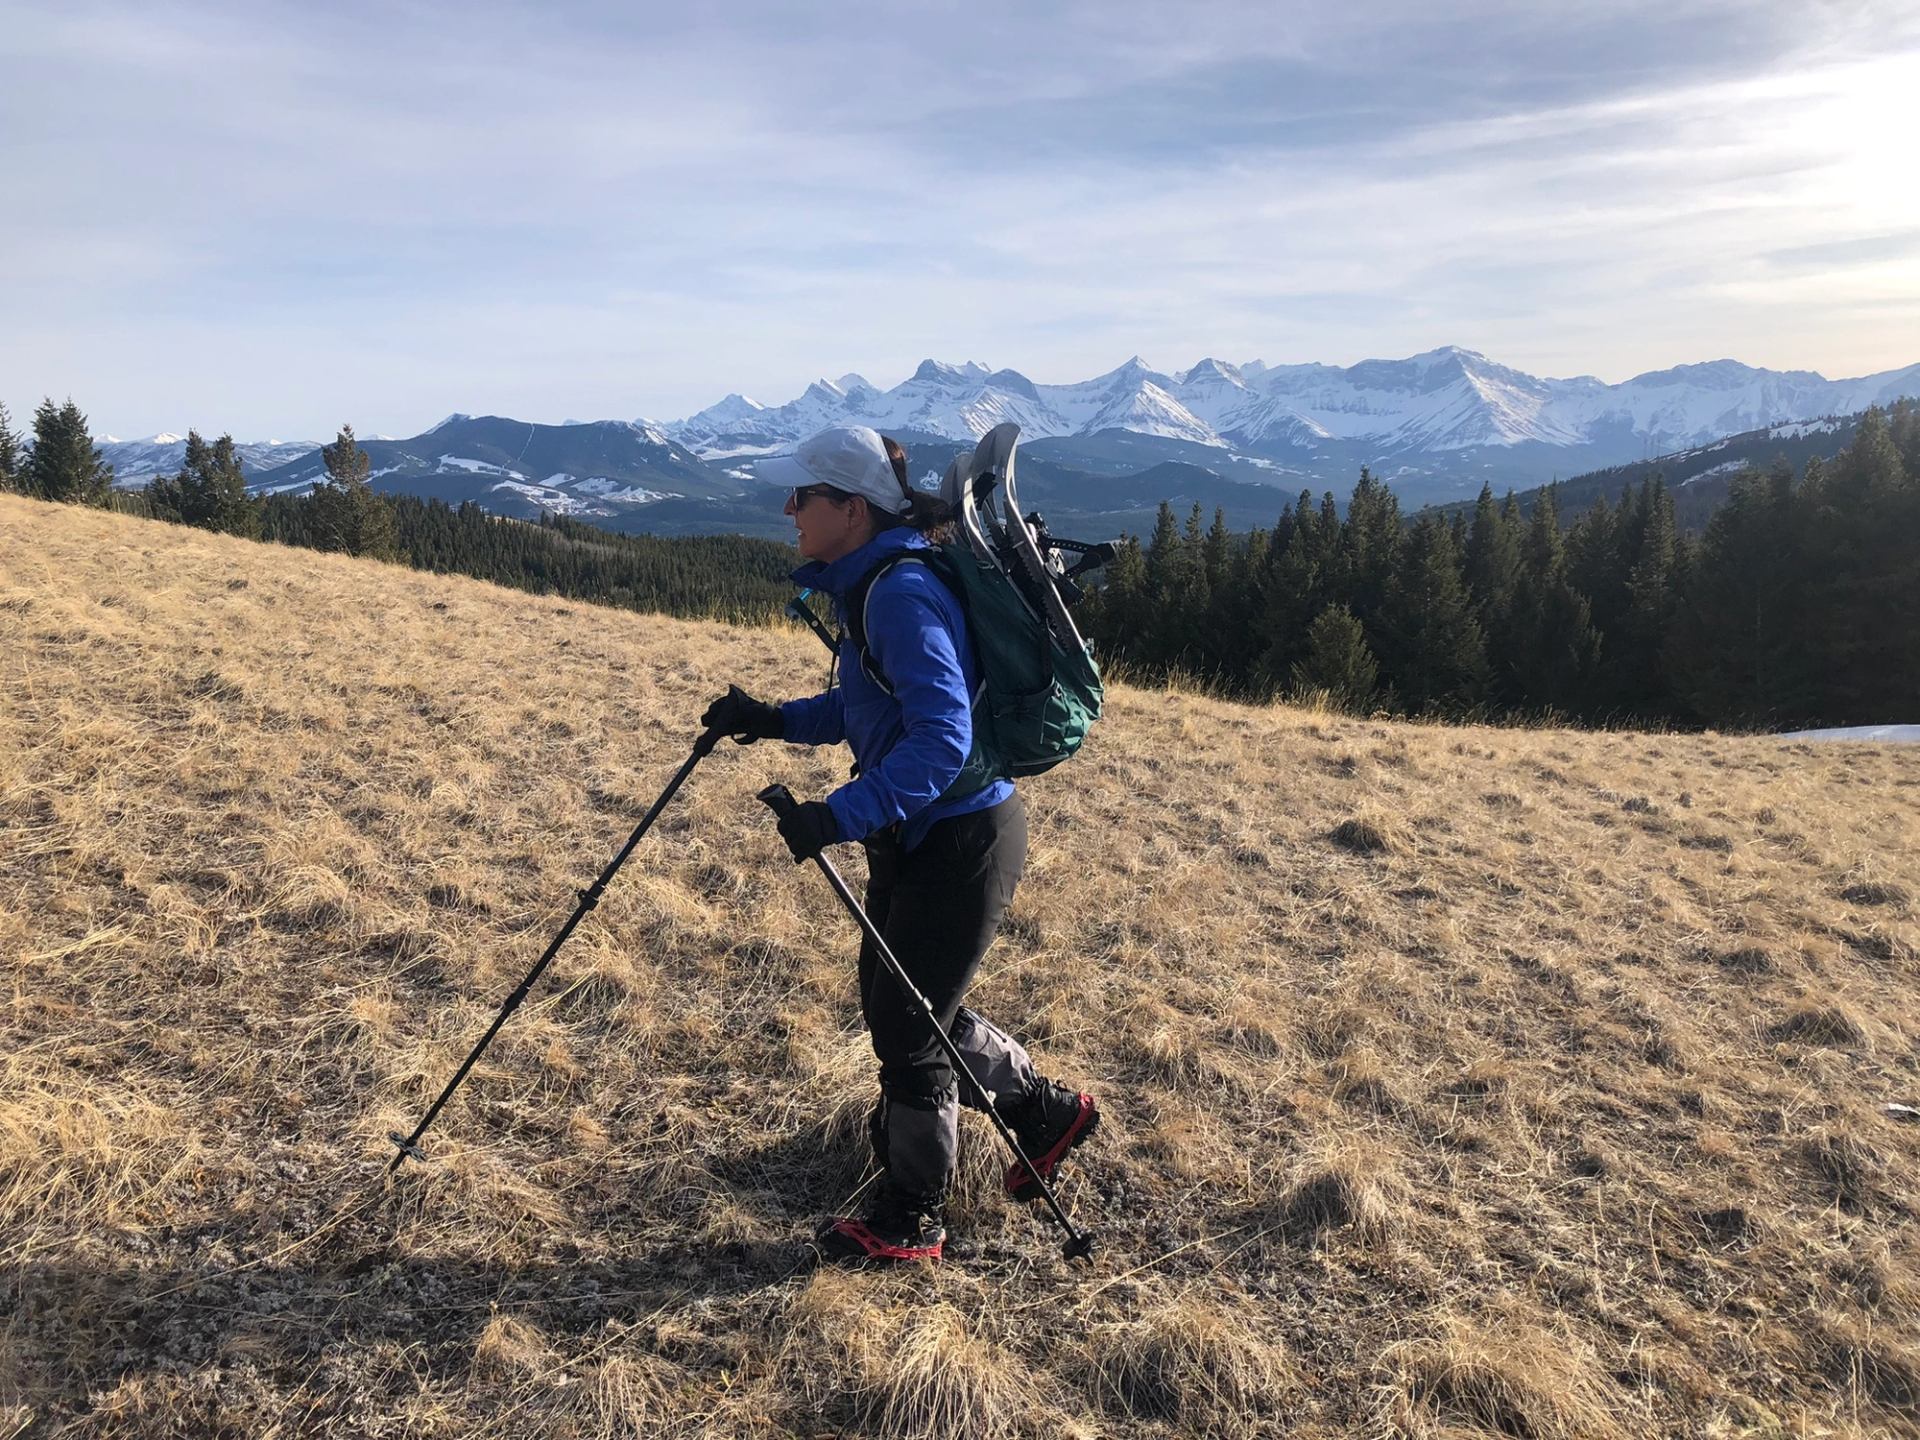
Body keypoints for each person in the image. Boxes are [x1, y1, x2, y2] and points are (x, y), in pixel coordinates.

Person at [702, 425, 1098, 1264]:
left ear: (849, 508)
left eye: (803, 496)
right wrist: (770, 719)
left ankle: (912, 1215)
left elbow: (942, 740)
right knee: (913, 1001)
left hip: (961, 837)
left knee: (906, 1025)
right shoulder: (874, 583)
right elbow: (868, 705)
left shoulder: (900, 592)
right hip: (930, 832)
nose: (789, 509)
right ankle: (1044, 1113)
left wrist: (838, 815)